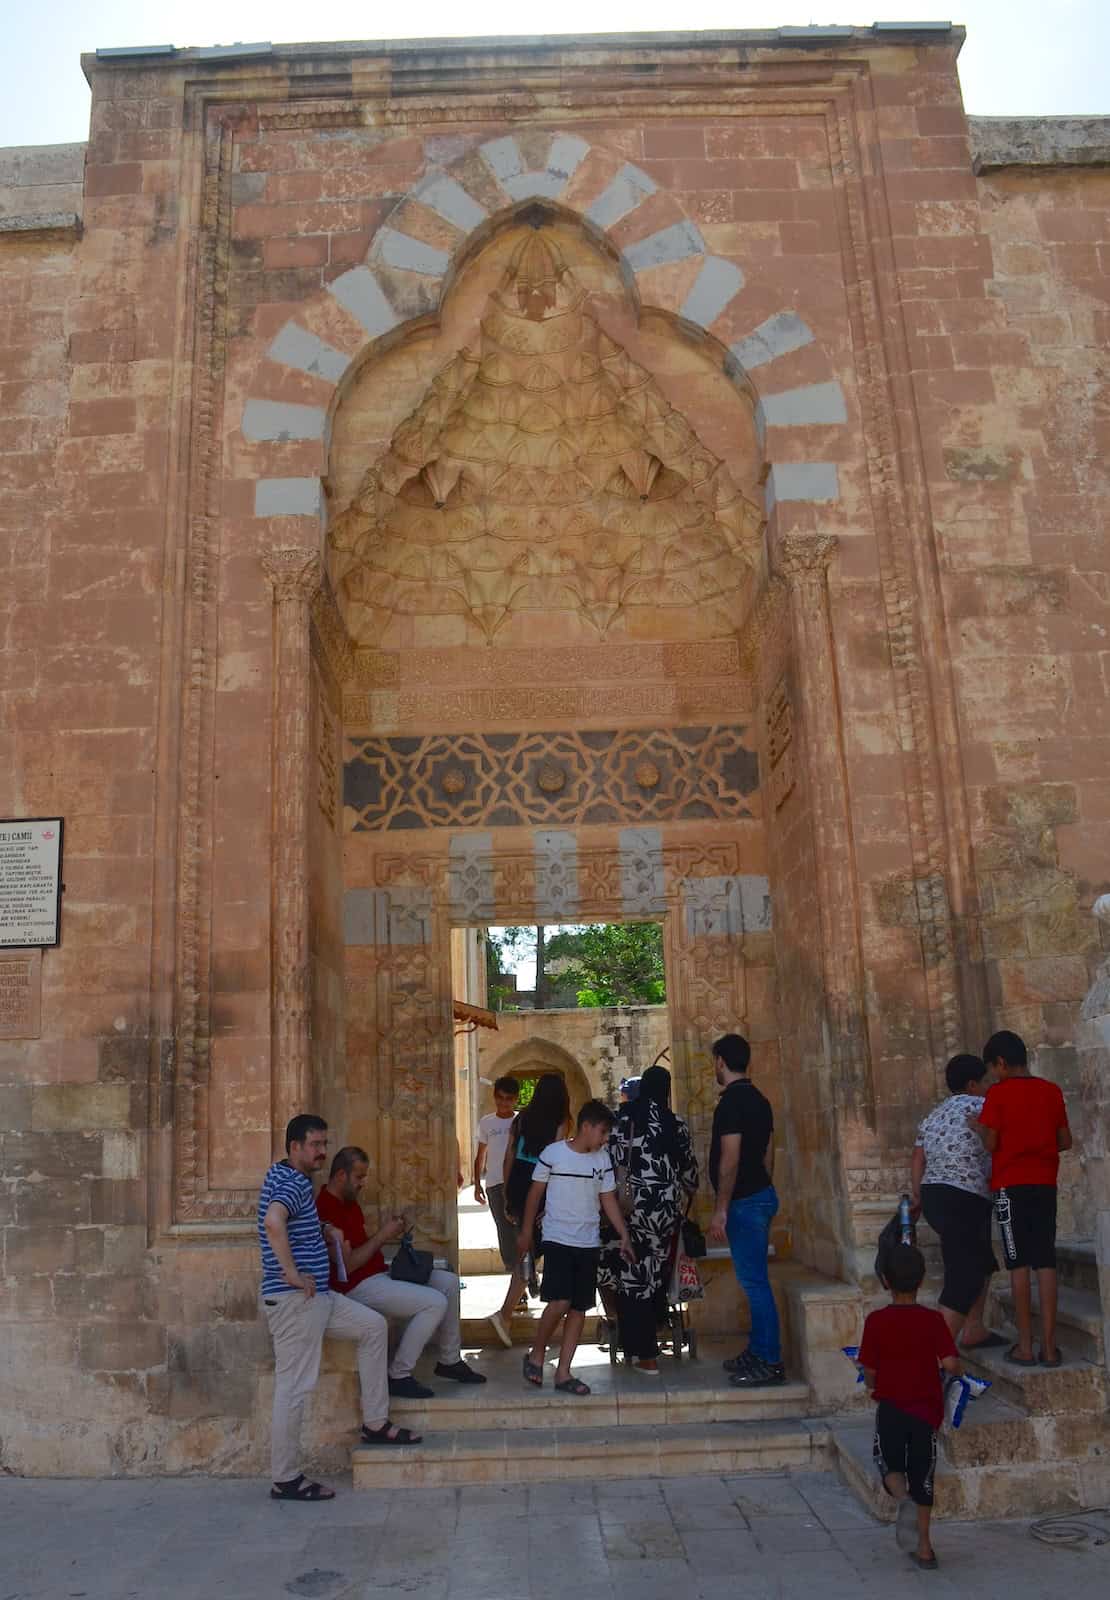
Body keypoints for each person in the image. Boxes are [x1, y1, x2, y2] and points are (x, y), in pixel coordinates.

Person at [258, 1115, 419, 1502]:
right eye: (314, 1145)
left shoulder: (287, 1178)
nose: (321, 1152)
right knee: (293, 1388)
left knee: (373, 1327)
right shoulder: (291, 1183)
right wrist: (293, 1274)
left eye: (323, 1144)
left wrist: (323, 1230)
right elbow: (273, 1223)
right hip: (297, 1301)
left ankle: (376, 1423)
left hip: (320, 1300)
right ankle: (285, 1478)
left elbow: (290, 1222)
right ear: (294, 1147)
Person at [316, 1146, 486, 1398]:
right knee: (434, 1303)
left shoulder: (349, 1202)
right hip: (356, 1285)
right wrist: (384, 1235)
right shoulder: (325, 1208)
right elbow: (348, 1265)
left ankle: (450, 1361)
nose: (363, 1183)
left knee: (449, 1283)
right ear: (341, 1175)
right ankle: (399, 1374)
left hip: (377, 1273)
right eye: (359, 1177)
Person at [519, 1099, 635, 1395]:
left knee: (579, 1308)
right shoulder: (553, 1154)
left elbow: (608, 1199)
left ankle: (564, 1372)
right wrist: (525, 1232)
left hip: (588, 1241)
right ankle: (536, 1353)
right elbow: (535, 1194)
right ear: (587, 1127)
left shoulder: (602, 1160)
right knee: (559, 1302)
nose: (606, 1138)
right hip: (558, 1238)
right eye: (604, 1132)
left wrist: (623, 1233)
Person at [858, 1243, 961, 1570]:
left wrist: (871, 1384)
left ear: (885, 1281)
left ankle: (901, 1499)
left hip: (891, 1407)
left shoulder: (876, 1322)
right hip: (925, 1412)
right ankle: (926, 1548)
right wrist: (957, 1374)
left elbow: (870, 1370)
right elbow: (949, 1361)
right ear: (921, 1281)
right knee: (924, 1475)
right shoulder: (933, 1320)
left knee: (888, 1463)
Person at [976, 1029, 1073, 1367]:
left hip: (1009, 1187)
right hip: (1045, 1184)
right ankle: (1049, 1347)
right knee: (1045, 1261)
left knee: (1018, 1263)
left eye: (993, 1069)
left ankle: (1026, 1347)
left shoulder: (998, 1095)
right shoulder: (1051, 1091)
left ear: (1000, 1063)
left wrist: (978, 1127)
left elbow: (990, 1144)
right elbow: (1065, 1140)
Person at [598, 1064, 698, 1373]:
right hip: (664, 1211)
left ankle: (644, 1353)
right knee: (654, 1270)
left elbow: (606, 1165)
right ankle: (654, 1330)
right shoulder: (674, 1123)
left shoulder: (620, 1122)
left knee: (631, 1274)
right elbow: (691, 1175)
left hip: (626, 1209)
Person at [911, 1053, 1004, 1351]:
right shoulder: (981, 1106)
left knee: (980, 1261)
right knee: (964, 1275)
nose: (990, 1087)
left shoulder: (934, 1114)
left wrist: (918, 1197)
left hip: (934, 1195)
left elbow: (918, 1158)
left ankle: (974, 1328)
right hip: (964, 1196)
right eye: (987, 1082)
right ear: (973, 1083)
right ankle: (935, 1356)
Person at [707, 1033, 784, 1388]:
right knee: (753, 1281)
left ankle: (769, 1360)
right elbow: (768, 1153)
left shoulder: (731, 1104)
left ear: (721, 1061)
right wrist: (762, 1186)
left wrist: (722, 1208)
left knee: (755, 1284)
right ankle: (757, 1350)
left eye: (715, 1062)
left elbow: (730, 1159)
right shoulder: (761, 1100)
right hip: (760, 1195)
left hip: (745, 1202)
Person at [489, 1073, 571, 1347]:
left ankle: (512, 1310)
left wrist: (506, 1191)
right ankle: (505, 1314)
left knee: (529, 1249)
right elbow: (556, 1158)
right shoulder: (560, 1121)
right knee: (531, 1250)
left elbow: (510, 1154)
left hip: (518, 1182)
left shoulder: (520, 1118)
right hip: (541, 1185)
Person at [473, 1075, 522, 1279]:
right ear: (494, 1097)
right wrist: (477, 1185)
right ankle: (516, 1279)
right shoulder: (486, 1122)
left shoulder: (521, 1121)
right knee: (504, 1231)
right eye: (500, 1097)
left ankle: (526, 1276)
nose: (504, 1102)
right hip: (494, 1184)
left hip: (519, 1184)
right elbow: (481, 1155)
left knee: (522, 1231)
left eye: (509, 1098)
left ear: (516, 1099)